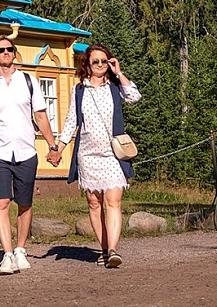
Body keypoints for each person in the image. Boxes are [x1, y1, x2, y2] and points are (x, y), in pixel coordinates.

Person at [0, 35, 59, 275]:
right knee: (2, 202)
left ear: (14, 53)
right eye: (0, 50)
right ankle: (7, 255)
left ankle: (20, 249)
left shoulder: (28, 81)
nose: (5, 52)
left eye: (9, 49)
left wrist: (52, 146)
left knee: (24, 203)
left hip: (26, 151)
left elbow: (40, 116)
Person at [47, 45, 141, 269]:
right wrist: (58, 148)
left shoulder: (115, 87)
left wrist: (119, 72)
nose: (100, 65)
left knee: (113, 201)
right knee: (94, 203)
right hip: (87, 154)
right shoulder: (79, 90)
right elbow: (71, 122)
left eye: (104, 61)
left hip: (113, 154)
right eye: (95, 61)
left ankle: (114, 250)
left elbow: (134, 96)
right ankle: (104, 249)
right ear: (87, 65)